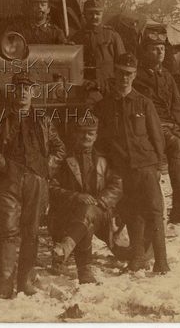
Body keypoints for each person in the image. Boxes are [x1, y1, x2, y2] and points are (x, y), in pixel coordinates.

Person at [0, 71, 66, 298]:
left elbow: (59, 148)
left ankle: (25, 281)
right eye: (19, 88)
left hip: (36, 181)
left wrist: (47, 168)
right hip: (8, 182)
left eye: (28, 88)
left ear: (34, 92)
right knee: (8, 231)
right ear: (12, 91)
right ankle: (5, 283)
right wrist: (4, 166)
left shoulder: (43, 120)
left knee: (32, 232)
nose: (23, 92)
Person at [94, 53, 170, 274]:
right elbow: (101, 140)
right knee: (133, 213)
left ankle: (161, 262)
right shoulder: (105, 106)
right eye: (120, 73)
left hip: (146, 166)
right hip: (123, 169)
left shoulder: (143, 103)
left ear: (135, 75)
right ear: (114, 74)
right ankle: (137, 258)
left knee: (154, 211)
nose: (124, 78)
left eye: (128, 74)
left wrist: (159, 165)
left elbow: (157, 136)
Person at [133, 32, 180, 228]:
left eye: (162, 49)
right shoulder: (137, 76)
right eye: (154, 49)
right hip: (152, 126)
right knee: (176, 147)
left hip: (171, 124)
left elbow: (177, 106)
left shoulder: (167, 76)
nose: (159, 52)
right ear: (145, 52)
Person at [48, 115, 123, 285]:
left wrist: (100, 201)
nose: (86, 137)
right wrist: (76, 197)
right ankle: (84, 271)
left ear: (96, 136)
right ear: (75, 134)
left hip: (102, 212)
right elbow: (51, 187)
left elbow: (117, 184)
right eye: (82, 133)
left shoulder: (105, 158)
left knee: (87, 212)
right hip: (69, 212)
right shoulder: (64, 159)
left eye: (90, 133)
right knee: (85, 218)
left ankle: (65, 247)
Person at [71, 0, 125, 97]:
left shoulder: (112, 36)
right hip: (85, 87)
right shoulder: (77, 37)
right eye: (90, 13)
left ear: (102, 14)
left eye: (97, 13)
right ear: (84, 15)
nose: (94, 17)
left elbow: (122, 64)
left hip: (108, 87)